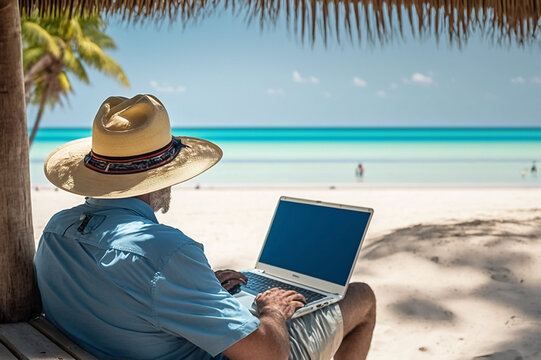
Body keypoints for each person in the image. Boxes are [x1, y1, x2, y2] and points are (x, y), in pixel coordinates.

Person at [34, 94, 376, 360]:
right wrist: (274, 311)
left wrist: (198, 288)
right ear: (161, 176)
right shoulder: (167, 253)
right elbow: (270, 354)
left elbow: (121, 290)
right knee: (362, 297)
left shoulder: (55, 231)